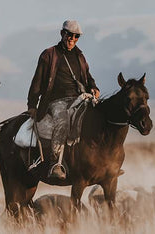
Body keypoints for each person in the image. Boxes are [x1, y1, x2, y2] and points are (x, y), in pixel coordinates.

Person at [27, 20, 100, 179]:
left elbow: (87, 77)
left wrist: (94, 87)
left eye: (76, 36)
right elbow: (37, 82)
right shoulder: (49, 55)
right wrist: (32, 105)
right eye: (69, 35)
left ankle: (102, 162)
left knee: (98, 118)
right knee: (63, 121)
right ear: (62, 34)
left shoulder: (80, 56)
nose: (72, 39)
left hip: (80, 98)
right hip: (56, 101)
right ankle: (55, 163)